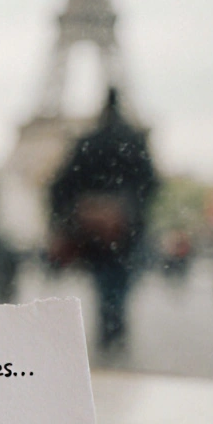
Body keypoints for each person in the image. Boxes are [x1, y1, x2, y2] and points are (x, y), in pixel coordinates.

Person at [49, 88, 158, 354]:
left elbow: (62, 185)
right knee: (120, 278)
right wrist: (128, 209)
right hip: (125, 224)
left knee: (103, 278)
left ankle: (109, 325)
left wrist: (76, 213)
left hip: (92, 224)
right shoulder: (134, 141)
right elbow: (150, 183)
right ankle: (115, 325)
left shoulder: (88, 141)